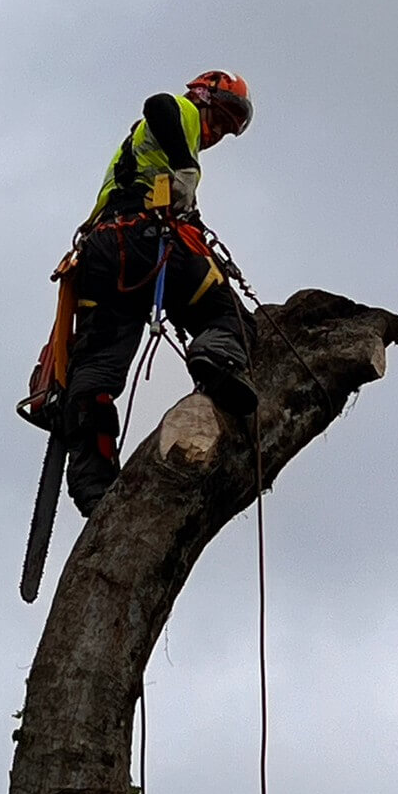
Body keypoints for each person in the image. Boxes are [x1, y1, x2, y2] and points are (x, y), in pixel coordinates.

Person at [62, 70, 259, 517]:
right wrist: (186, 167)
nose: (222, 132)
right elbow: (158, 103)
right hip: (146, 239)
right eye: (225, 117)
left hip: (105, 252)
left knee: (96, 371)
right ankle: (220, 359)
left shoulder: (144, 157)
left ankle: (95, 488)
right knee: (228, 315)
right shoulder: (182, 113)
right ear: (206, 97)